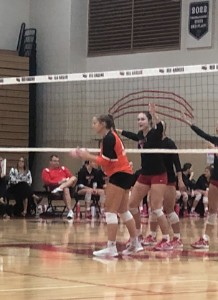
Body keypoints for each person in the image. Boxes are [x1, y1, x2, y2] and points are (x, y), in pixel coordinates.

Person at [72, 114, 138, 257]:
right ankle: (135, 243)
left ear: (103, 124)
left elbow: (105, 162)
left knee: (109, 210)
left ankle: (111, 247)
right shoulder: (110, 137)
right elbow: (104, 160)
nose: (93, 125)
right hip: (125, 174)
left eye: (94, 123)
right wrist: (86, 155)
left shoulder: (109, 138)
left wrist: (87, 157)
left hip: (119, 175)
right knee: (123, 211)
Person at [117, 103, 171, 252]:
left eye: (142, 119)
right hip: (145, 173)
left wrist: (154, 114)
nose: (140, 121)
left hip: (159, 174)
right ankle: (138, 235)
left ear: (149, 121)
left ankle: (166, 239)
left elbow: (160, 127)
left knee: (156, 208)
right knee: (132, 204)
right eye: (138, 119)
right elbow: (134, 136)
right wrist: (117, 130)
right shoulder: (141, 135)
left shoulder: (155, 133)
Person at [183, 115, 218, 251]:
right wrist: (190, 125)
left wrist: (214, 149)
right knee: (212, 209)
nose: (217, 127)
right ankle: (205, 239)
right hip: (215, 179)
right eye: (216, 125)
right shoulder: (216, 140)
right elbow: (203, 134)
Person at [146, 123, 185, 250]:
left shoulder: (170, 144)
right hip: (156, 178)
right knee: (153, 207)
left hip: (169, 179)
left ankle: (177, 238)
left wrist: (180, 180)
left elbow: (177, 164)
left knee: (169, 209)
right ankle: (152, 235)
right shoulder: (152, 142)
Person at [42, 155, 77, 219]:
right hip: (55, 188)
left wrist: (65, 181)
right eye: (55, 161)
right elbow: (47, 182)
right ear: (50, 162)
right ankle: (70, 210)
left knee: (74, 178)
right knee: (65, 189)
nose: (57, 163)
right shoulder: (46, 171)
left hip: (67, 186)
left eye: (58, 161)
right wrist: (58, 182)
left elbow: (70, 178)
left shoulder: (63, 169)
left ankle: (60, 187)